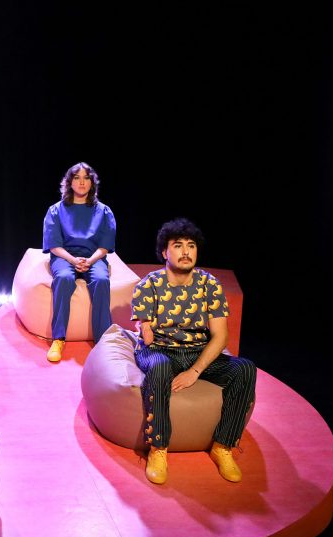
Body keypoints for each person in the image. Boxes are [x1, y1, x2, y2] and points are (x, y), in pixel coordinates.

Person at [130, 218, 256, 484]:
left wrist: (195, 371)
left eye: (191, 246)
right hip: (159, 349)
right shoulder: (149, 284)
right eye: (178, 245)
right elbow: (145, 331)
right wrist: (146, 328)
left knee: (245, 368)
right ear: (165, 252)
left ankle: (223, 446)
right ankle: (158, 448)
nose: (186, 251)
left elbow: (221, 336)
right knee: (160, 366)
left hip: (196, 351)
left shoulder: (210, 285)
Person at [42, 162, 117, 360]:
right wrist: (73, 260)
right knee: (65, 278)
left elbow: (105, 245)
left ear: (92, 183)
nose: (82, 182)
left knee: (101, 280)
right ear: (69, 182)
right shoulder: (56, 211)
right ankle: (59, 338)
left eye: (86, 178)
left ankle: (102, 341)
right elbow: (54, 246)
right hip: (64, 256)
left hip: (94, 257)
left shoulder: (104, 211)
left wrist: (90, 260)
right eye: (77, 177)